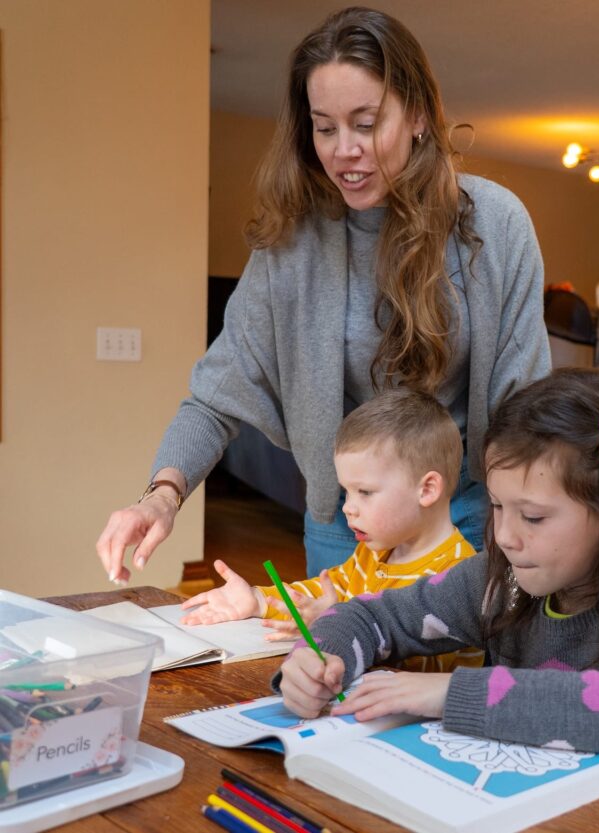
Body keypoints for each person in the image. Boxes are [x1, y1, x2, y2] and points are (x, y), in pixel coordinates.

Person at [95, 6, 550, 584]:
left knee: (452, 648)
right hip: (345, 520)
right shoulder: (291, 244)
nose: (343, 150)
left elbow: (525, 405)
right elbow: (215, 397)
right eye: (325, 128)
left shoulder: (496, 224)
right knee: (334, 645)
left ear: (417, 115)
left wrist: (531, 526)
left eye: (366, 123)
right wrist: (161, 495)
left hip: (465, 513)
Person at [278, 368, 599, 774]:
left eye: (532, 516)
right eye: (496, 505)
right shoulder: (501, 580)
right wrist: (317, 658)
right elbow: (371, 616)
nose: (505, 536)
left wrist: (450, 693)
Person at [180, 389, 482, 672]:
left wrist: (340, 625)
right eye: (346, 492)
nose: (348, 508)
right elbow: (320, 596)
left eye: (365, 492)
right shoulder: (373, 553)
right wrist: (258, 600)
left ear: (427, 489)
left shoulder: (459, 575)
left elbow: (428, 668)